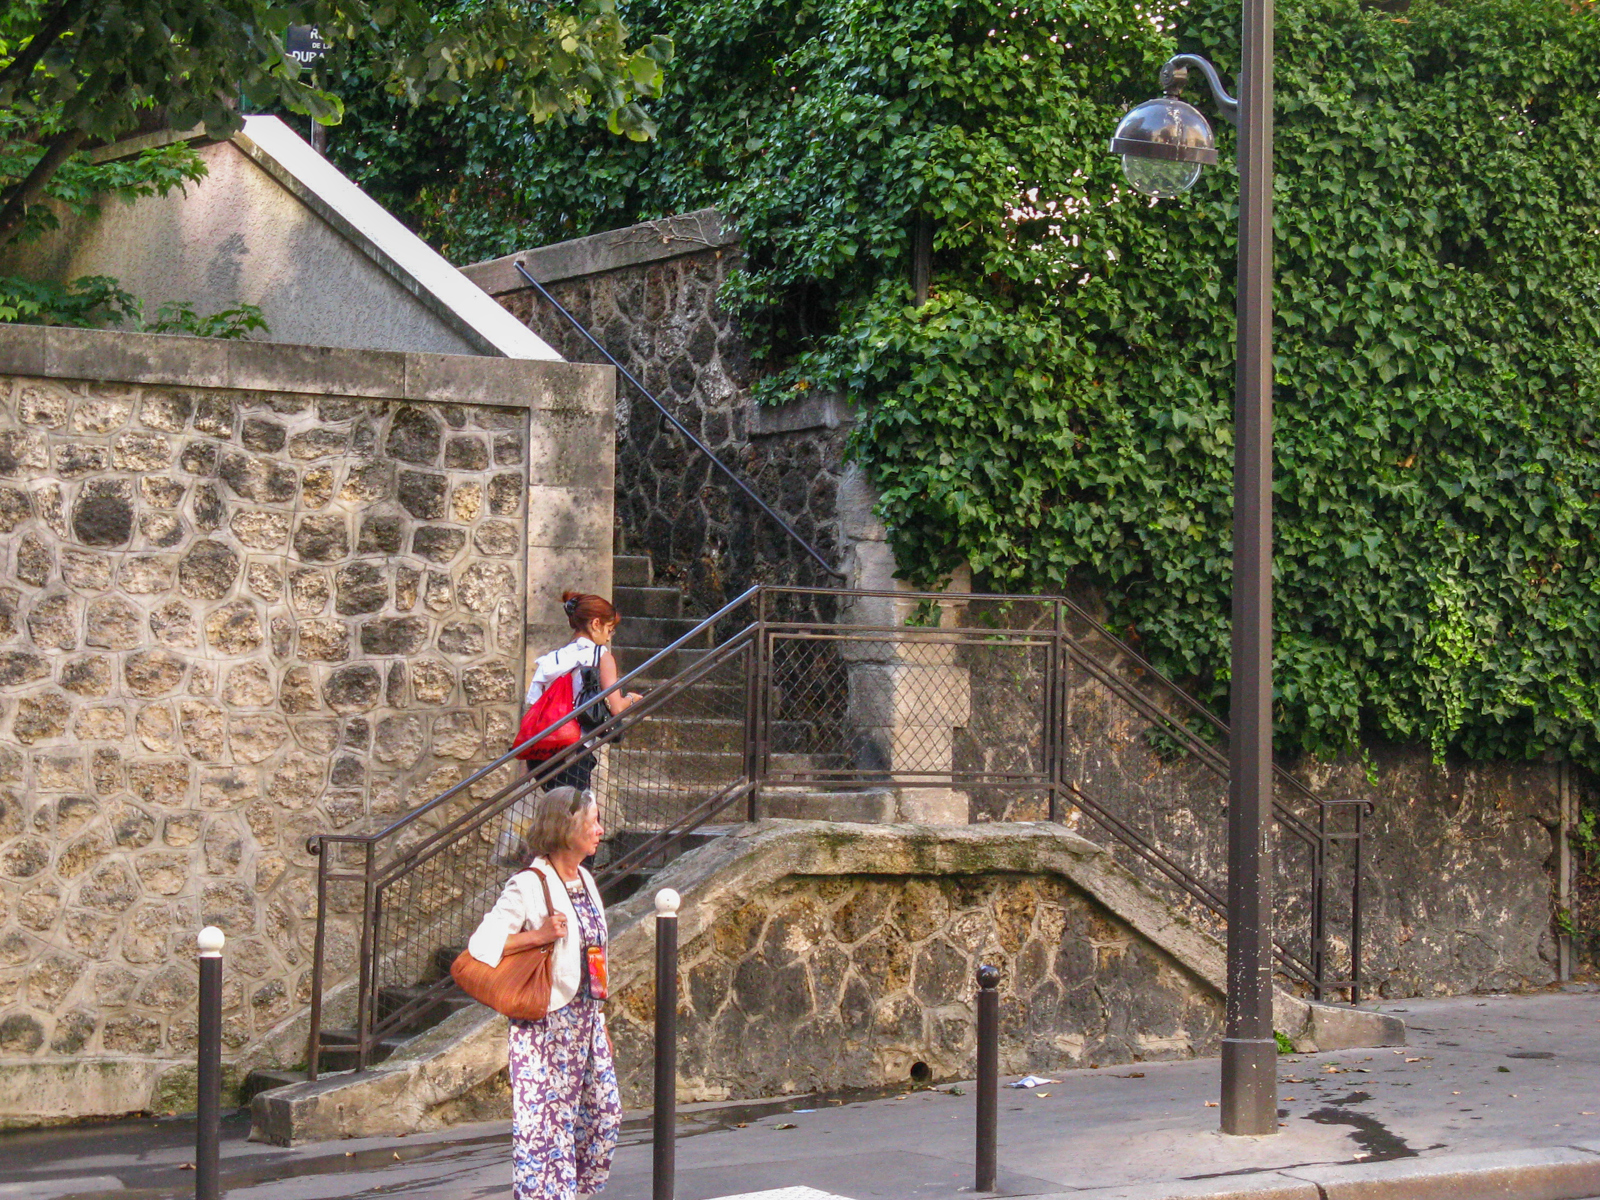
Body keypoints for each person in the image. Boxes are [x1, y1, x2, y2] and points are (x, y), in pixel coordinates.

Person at [466, 787, 621, 1200]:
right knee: (545, 1132)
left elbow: (595, 955)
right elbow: (481, 944)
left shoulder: (586, 879)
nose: (600, 830)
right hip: (544, 1023)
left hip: (585, 1021)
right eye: (593, 822)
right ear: (568, 828)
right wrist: (538, 936)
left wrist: (600, 1018)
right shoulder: (528, 884)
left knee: (604, 1117)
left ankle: (571, 1192)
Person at [525, 591, 643, 791]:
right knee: (579, 808)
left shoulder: (552, 659)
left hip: (541, 751)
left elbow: (534, 706)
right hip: (572, 749)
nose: (608, 638)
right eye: (609, 630)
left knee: (557, 806)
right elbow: (615, 707)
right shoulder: (600, 657)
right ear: (596, 624)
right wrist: (631, 699)